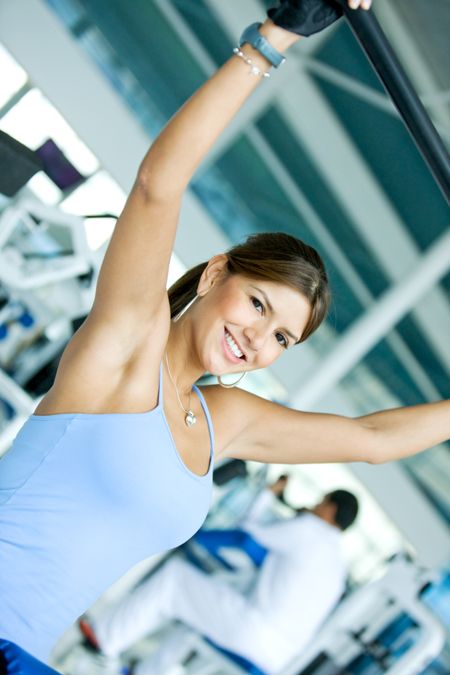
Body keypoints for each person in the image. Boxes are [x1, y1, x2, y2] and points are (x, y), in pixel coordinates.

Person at [1, 0, 449, 666]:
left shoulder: (223, 419)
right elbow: (159, 185)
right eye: (259, 304)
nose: (258, 339)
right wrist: (272, 41)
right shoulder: (131, 344)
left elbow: (372, 439)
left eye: (282, 339)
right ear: (215, 274)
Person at [79, 490, 358, 675]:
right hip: (278, 659)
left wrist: (267, 495)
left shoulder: (311, 529)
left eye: (321, 501)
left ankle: (103, 641)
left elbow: (248, 532)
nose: (316, 504)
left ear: (330, 509)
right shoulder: (338, 567)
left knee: (176, 580)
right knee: (197, 612)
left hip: (252, 631)